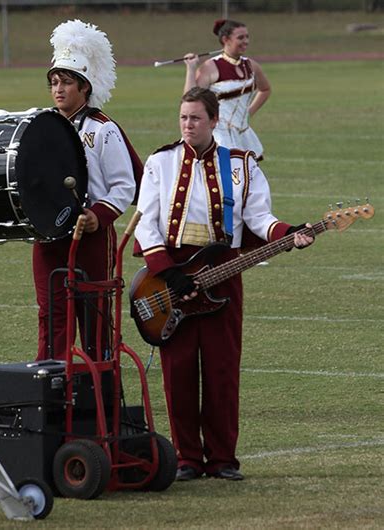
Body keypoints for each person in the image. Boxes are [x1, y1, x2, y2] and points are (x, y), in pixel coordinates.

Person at [134, 87, 314, 481]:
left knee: (221, 372)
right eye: (183, 117)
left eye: (195, 118)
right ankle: (186, 458)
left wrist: (290, 231)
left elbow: (259, 218)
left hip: (224, 275)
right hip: (172, 277)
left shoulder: (241, 164)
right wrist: (170, 274)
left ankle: (221, 459)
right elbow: (147, 223)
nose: (187, 125)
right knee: (178, 372)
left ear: (214, 121)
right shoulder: (160, 162)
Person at [33, 19, 141, 361]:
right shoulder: (41, 126)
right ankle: (51, 386)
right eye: (54, 82)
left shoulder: (103, 129)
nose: (58, 89)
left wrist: (98, 215)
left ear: (85, 87)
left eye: (66, 82)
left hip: (91, 238)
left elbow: (126, 183)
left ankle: (100, 390)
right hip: (49, 237)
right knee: (51, 314)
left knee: (93, 316)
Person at [183, 18, 271, 160]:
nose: (246, 41)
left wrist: (248, 113)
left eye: (247, 37)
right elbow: (190, 99)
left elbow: (265, 89)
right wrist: (191, 69)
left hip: (243, 134)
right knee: (225, 178)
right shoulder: (211, 67)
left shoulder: (251, 65)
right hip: (219, 134)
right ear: (225, 39)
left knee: (248, 178)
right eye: (240, 37)